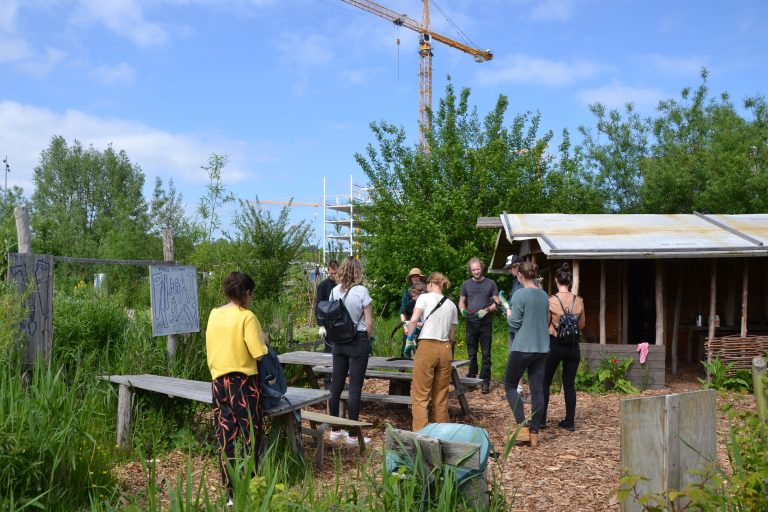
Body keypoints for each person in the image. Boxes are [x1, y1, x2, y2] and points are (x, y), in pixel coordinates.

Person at [205, 272, 269, 502]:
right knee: (252, 435)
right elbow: (259, 354)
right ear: (247, 292)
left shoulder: (214, 314)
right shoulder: (247, 317)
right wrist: (264, 340)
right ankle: (254, 486)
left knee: (226, 436)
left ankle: (230, 493)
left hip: (218, 382)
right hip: (243, 383)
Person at [501, 261, 550, 447]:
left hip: (522, 347)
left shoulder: (519, 294)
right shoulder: (544, 295)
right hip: (542, 347)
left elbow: (513, 324)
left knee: (510, 385)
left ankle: (522, 428)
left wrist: (507, 311)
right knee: (537, 389)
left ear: (520, 275)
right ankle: (535, 433)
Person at [327, 256, 373, 446]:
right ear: (357, 271)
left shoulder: (334, 291)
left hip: (338, 342)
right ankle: (353, 434)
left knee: (335, 387)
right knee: (354, 389)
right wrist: (367, 341)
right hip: (358, 340)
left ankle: (335, 430)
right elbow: (368, 322)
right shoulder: (362, 291)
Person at [405, 272, 458, 431]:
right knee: (441, 396)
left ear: (429, 284)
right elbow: (452, 337)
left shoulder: (423, 298)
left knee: (420, 395)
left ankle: (421, 434)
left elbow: (413, 320)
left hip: (427, 346)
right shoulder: (451, 305)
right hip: (445, 349)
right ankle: (440, 433)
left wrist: (409, 340)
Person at [541, 262, 586, 432]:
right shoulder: (579, 301)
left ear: (556, 280)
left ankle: (541, 420)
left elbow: (546, 324)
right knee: (569, 384)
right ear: (570, 280)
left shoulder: (550, 301)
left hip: (555, 344)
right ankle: (570, 422)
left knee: (545, 382)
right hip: (573, 346)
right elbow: (582, 324)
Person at [458, 258, 499, 394]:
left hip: (485, 323)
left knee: (486, 354)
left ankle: (485, 382)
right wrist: (462, 309)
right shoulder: (466, 284)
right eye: (473, 269)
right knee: (472, 352)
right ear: (470, 270)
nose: (476, 271)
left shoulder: (490, 283)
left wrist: (487, 310)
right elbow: (462, 302)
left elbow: (497, 302)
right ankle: (471, 379)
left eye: (478, 269)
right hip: (471, 321)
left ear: (482, 268)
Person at [503, 254, 526, 398]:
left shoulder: (526, 282)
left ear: (518, 266)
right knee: (513, 355)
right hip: (512, 325)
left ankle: (519, 388)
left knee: (520, 356)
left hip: (521, 326)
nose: (510, 271)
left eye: (511, 267)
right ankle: (517, 387)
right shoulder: (515, 282)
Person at [315, 260, 339, 389]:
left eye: (336, 273)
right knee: (329, 353)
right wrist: (321, 325)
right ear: (328, 271)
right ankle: (328, 382)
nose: (334, 275)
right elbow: (318, 306)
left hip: (340, 325)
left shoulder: (342, 285)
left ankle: (338, 380)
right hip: (328, 324)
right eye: (331, 273)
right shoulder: (323, 286)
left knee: (340, 354)